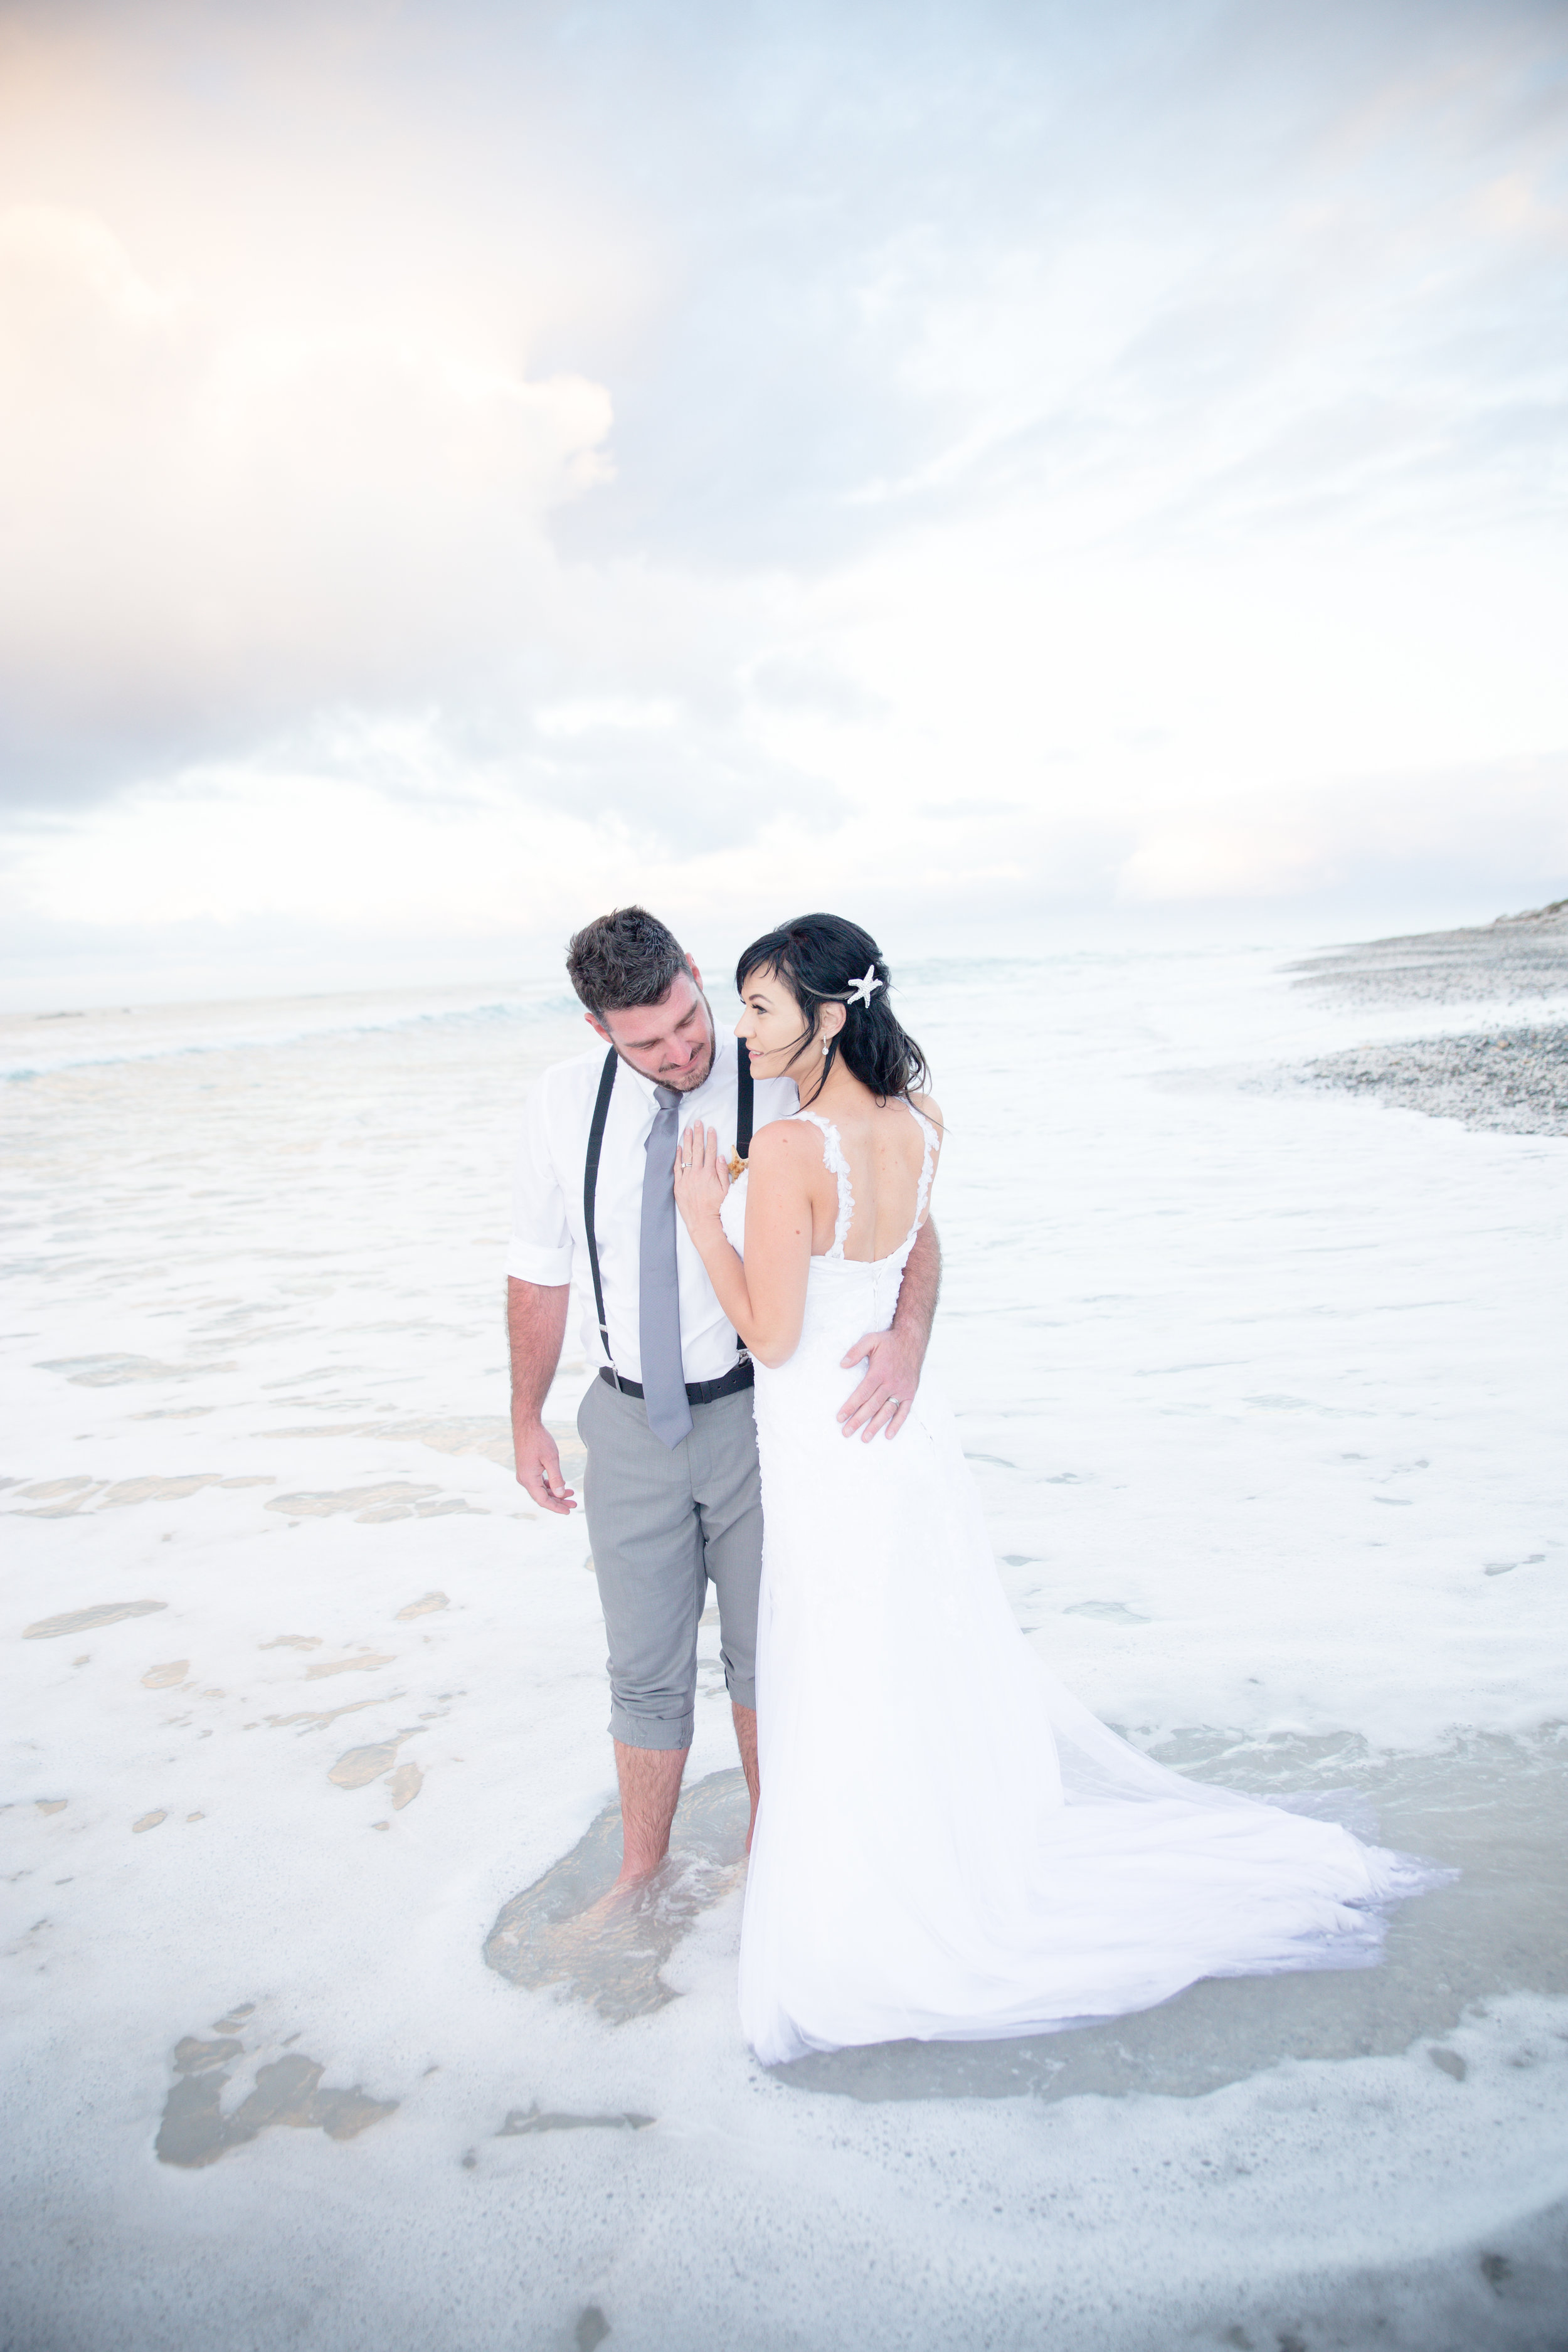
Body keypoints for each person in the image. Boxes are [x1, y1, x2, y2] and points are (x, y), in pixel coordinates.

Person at [672, 911, 1443, 2065]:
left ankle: (875, 1911)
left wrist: (703, 1224)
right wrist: (894, 1326)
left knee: (843, 1659)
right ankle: (949, 1859)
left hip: (832, 1440)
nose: (740, 1033)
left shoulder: (790, 1151)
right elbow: (900, 1248)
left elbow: (774, 1335)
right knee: (917, 1651)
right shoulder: (919, 1120)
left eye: (762, 1009)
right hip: (905, 1432)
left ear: (830, 1017)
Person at [507, 905, 943, 1887]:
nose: (681, 1051)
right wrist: (525, 1413)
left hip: (760, 1412)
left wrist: (908, 1336)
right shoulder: (561, 1102)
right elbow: (539, 1268)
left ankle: (770, 1864)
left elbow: (905, 1217)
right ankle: (638, 1878)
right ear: (599, 1031)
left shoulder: (780, 1068)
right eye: (647, 1043)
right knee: (643, 1667)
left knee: (766, 1657)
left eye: (687, 1020)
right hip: (626, 1420)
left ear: (695, 974)